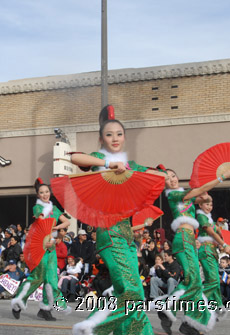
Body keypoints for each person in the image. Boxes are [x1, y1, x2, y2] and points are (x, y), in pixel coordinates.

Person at [70, 105, 166, 335]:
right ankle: (94, 329)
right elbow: (74, 157)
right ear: (100, 139)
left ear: (125, 137)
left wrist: (160, 175)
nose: (115, 138)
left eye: (119, 134)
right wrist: (107, 164)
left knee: (133, 292)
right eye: (109, 134)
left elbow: (158, 176)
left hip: (125, 236)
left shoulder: (130, 166)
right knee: (131, 290)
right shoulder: (99, 159)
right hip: (109, 234)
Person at [158, 167, 230, 335]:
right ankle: (169, 306)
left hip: (190, 240)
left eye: (173, 176)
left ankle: (190, 321)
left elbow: (205, 196)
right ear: (164, 185)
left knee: (196, 282)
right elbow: (201, 192)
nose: (172, 180)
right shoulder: (173, 195)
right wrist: (221, 177)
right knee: (196, 280)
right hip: (183, 238)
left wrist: (203, 194)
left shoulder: (185, 197)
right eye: (167, 179)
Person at [11, 178, 71, 321]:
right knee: (37, 278)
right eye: (42, 192)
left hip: (51, 250)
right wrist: (48, 234)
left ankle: (45, 308)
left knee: (51, 279)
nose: (45, 194)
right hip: (41, 248)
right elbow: (42, 222)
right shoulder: (38, 208)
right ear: (38, 195)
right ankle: (18, 303)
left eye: (47, 192)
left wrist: (57, 229)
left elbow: (67, 221)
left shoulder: (55, 209)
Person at [196, 195, 230, 321]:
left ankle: (215, 307)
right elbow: (211, 232)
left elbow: (217, 230)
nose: (209, 207)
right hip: (206, 251)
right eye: (207, 204)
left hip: (211, 250)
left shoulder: (209, 218)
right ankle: (198, 304)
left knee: (214, 280)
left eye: (211, 204)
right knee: (213, 281)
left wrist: (223, 237)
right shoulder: (201, 216)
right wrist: (224, 244)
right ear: (200, 205)